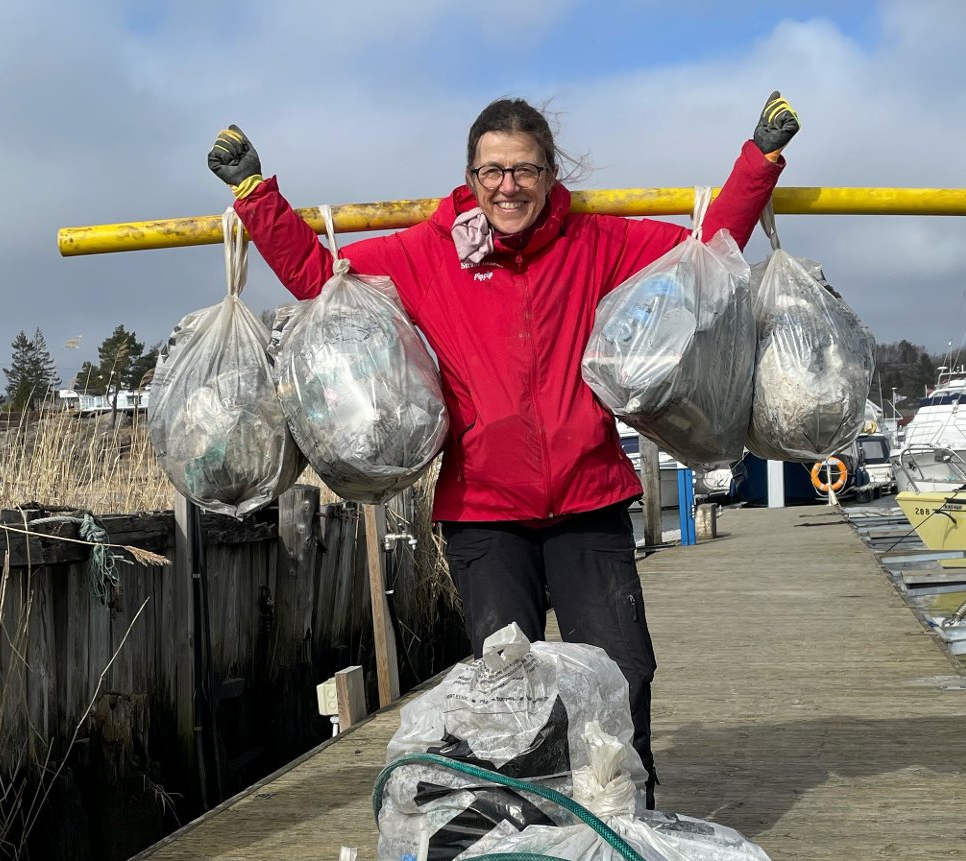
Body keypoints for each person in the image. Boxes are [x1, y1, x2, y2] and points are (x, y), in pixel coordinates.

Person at [208, 93, 799, 806]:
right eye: (492, 170)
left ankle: (629, 817)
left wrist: (760, 158)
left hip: (588, 504)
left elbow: (710, 252)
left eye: (523, 169)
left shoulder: (597, 241)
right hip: (484, 513)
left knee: (625, 673)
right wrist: (254, 193)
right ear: (470, 175)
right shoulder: (428, 252)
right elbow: (317, 277)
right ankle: (534, 823)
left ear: (551, 173)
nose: (507, 185)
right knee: (510, 688)